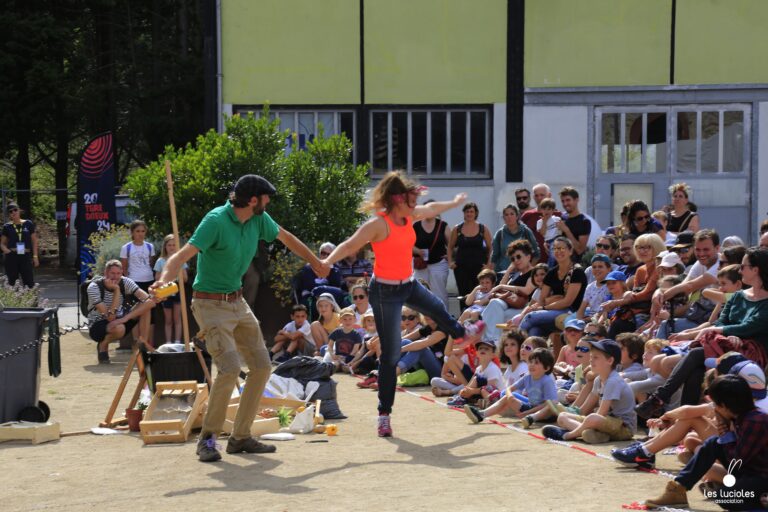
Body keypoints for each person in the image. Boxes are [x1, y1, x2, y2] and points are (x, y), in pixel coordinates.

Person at [153, 174, 329, 462]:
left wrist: (316, 262)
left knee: (261, 366)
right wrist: (162, 281)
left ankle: (241, 437)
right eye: (265, 197)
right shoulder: (215, 221)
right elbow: (179, 257)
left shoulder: (259, 220)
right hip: (209, 305)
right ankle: (207, 439)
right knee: (230, 368)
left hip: (237, 302)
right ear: (252, 200)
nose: (269, 201)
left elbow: (286, 237)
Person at [321, 171, 471, 437]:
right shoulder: (379, 224)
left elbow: (433, 208)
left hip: (408, 284)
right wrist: (327, 261)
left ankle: (462, 335)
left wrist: (454, 202)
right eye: (410, 199)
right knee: (390, 356)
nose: (415, 205)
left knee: (438, 308)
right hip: (384, 293)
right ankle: (384, 414)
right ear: (396, 200)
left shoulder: (409, 215)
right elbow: (349, 245)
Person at [636, 246, 768, 418]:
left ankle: (660, 400)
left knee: (696, 355)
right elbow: (722, 322)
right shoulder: (738, 296)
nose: (739, 270)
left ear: (755, 269)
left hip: (752, 354)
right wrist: (725, 332)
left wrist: (723, 331)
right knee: (696, 369)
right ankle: (681, 419)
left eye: (743, 266)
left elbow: (750, 326)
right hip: (726, 347)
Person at [643, 374, 768, 510]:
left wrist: (726, 433)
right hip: (752, 473)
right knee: (713, 443)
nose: (714, 409)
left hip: (761, 477)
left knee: (726, 497)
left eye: (716, 404)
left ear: (725, 406)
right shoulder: (739, 417)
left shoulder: (755, 421)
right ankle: (678, 489)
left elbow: (736, 462)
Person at [542, 339, 637, 444]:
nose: (591, 360)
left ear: (610, 361)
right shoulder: (598, 379)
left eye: (595, 357)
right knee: (563, 416)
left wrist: (586, 420)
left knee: (593, 418)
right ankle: (592, 434)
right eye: (591, 357)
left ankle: (567, 435)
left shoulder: (613, 381)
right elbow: (586, 408)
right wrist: (579, 416)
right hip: (604, 422)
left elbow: (601, 414)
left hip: (623, 427)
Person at [519, 237, 588, 343]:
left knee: (530, 317)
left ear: (570, 251)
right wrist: (546, 303)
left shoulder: (577, 272)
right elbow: (542, 298)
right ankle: (532, 357)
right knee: (534, 330)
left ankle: (517, 345)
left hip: (571, 312)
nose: (557, 251)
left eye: (561, 248)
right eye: (555, 248)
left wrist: (544, 307)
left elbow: (567, 302)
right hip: (552, 311)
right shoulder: (551, 273)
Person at [88, 259, 157, 363]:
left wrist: (125, 318)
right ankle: (103, 344)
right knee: (119, 328)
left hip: (120, 319)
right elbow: (110, 317)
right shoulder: (94, 287)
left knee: (145, 307)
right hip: (98, 324)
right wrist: (116, 290)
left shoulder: (126, 281)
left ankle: (142, 343)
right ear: (105, 273)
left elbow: (150, 301)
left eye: (118, 273)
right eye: (112, 273)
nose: (116, 277)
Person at [463, 347, 556, 423]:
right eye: (530, 362)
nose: (531, 365)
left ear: (546, 368)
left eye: (536, 363)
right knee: (508, 396)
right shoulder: (527, 377)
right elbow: (509, 389)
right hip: (531, 407)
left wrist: (528, 412)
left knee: (550, 407)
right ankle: (481, 414)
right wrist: (510, 396)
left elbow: (549, 404)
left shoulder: (547, 381)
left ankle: (531, 418)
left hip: (543, 412)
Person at [482, 239, 538, 342]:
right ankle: (491, 340)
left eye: (518, 256)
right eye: (512, 259)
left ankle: (490, 340)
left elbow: (527, 290)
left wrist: (503, 287)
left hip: (524, 308)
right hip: (509, 305)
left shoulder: (534, 272)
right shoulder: (516, 274)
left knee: (493, 307)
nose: (516, 260)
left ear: (528, 256)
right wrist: (509, 270)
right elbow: (501, 287)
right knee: (492, 307)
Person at [120, 220, 156, 347]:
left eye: (143, 231)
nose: (140, 234)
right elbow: (124, 267)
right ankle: (136, 341)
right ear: (132, 232)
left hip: (149, 280)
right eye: (137, 231)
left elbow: (151, 263)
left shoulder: (150, 246)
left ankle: (148, 343)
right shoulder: (126, 248)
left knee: (150, 311)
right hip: (133, 282)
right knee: (135, 312)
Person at [447, 202, 492, 297]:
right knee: (463, 293)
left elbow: (490, 248)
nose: (469, 214)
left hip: (479, 268)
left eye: (472, 211)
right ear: (464, 213)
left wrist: (488, 265)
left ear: (476, 213)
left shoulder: (483, 228)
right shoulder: (457, 229)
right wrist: (450, 262)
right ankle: (463, 312)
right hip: (461, 268)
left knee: (479, 293)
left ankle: (478, 312)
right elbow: (450, 247)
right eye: (467, 211)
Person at [412, 200, 451, 306]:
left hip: (439, 264)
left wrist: (450, 256)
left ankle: (442, 320)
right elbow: (408, 244)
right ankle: (421, 320)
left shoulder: (443, 226)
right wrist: (418, 251)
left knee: (439, 294)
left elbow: (451, 244)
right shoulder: (416, 226)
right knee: (420, 293)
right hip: (421, 265)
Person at [153, 234, 188, 344]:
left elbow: (185, 278)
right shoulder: (160, 261)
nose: (172, 247)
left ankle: (177, 341)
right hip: (165, 289)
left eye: (174, 245)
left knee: (177, 318)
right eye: (169, 245)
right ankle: (168, 342)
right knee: (168, 319)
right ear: (165, 246)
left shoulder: (181, 259)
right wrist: (166, 273)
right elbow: (156, 277)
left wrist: (179, 264)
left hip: (177, 288)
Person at [490, 204, 539, 273]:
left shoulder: (525, 231)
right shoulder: (500, 234)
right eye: (506, 215)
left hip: (522, 273)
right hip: (503, 272)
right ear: (503, 217)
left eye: (512, 214)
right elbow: (494, 257)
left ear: (517, 216)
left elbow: (536, 254)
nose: (509, 217)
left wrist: (528, 270)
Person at [521, 183, 561, 262]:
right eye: (536, 195)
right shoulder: (527, 215)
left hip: (554, 260)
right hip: (532, 262)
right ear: (533, 197)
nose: (539, 198)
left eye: (542, 195)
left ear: (549, 195)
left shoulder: (559, 216)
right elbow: (522, 238)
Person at [1, 202, 38, 287]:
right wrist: (8, 252)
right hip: (12, 256)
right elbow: (2, 244)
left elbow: (34, 241)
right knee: (12, 283)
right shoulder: (7, 226)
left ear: (19, 211)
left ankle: (31, 300)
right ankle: (13, 300)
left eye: (15, 210)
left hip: (25, 255)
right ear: (9, 214)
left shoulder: (28, 223)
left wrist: (35, 257)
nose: (13, 212)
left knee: (29, 282)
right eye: (10, 211)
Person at [558, 187, 591, 264]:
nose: (565, 204)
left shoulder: (584, 221)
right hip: (559, 262)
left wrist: (566, 230)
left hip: (574, 264)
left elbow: (580, 250)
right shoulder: (562, 217)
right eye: (563, 201)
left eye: (568, 200)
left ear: (576, 200)